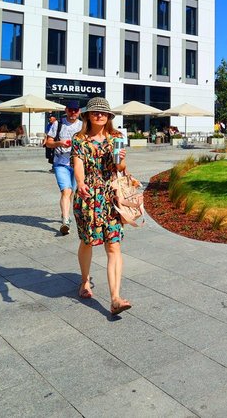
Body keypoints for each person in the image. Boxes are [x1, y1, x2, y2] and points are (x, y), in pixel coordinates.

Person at [71, 97, 132, 315]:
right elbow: (78, 164)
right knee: (87, 241)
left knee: (114, 245)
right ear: (88, 115)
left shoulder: (116, 137)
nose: (99, 115)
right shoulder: (79, 139)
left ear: (109, 117)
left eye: (103, 113)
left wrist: (121, 159)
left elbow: (120, 167)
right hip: (88, 197)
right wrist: (80, 183)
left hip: (111, 196)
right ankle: (84, 281)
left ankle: (115, 298)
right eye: (95, 112)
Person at [45, 101, 83, 235]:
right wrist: (59, 143)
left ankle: (64, 213)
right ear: (66, 110)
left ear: (79, 111)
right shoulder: (58, 124)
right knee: (66, 191)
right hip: (61, 163)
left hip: (78, 164)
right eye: (70, 110)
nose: (73, 113)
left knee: (71, 192)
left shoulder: (83, 126)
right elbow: (48, 142)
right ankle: (65, 221)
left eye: (75, 110)